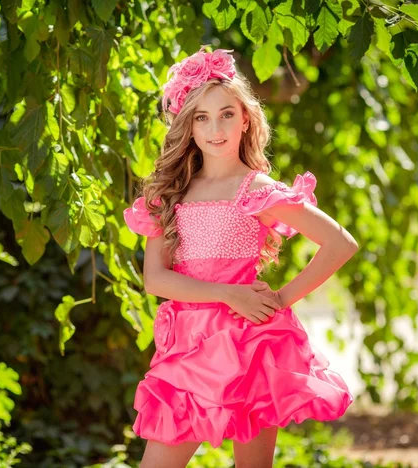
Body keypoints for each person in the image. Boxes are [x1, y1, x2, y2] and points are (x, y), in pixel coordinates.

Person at [122, 44, 359, 468]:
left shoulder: (256, 190)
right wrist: (228, 295)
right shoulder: (167, 194)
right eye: (202, 117)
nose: (216, 128)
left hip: (251, 344)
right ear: (188, 127)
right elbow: (155, 280)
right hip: (187, 352)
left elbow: (341, 245)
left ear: (245, 118)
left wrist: (281, 300)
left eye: (227, 114)